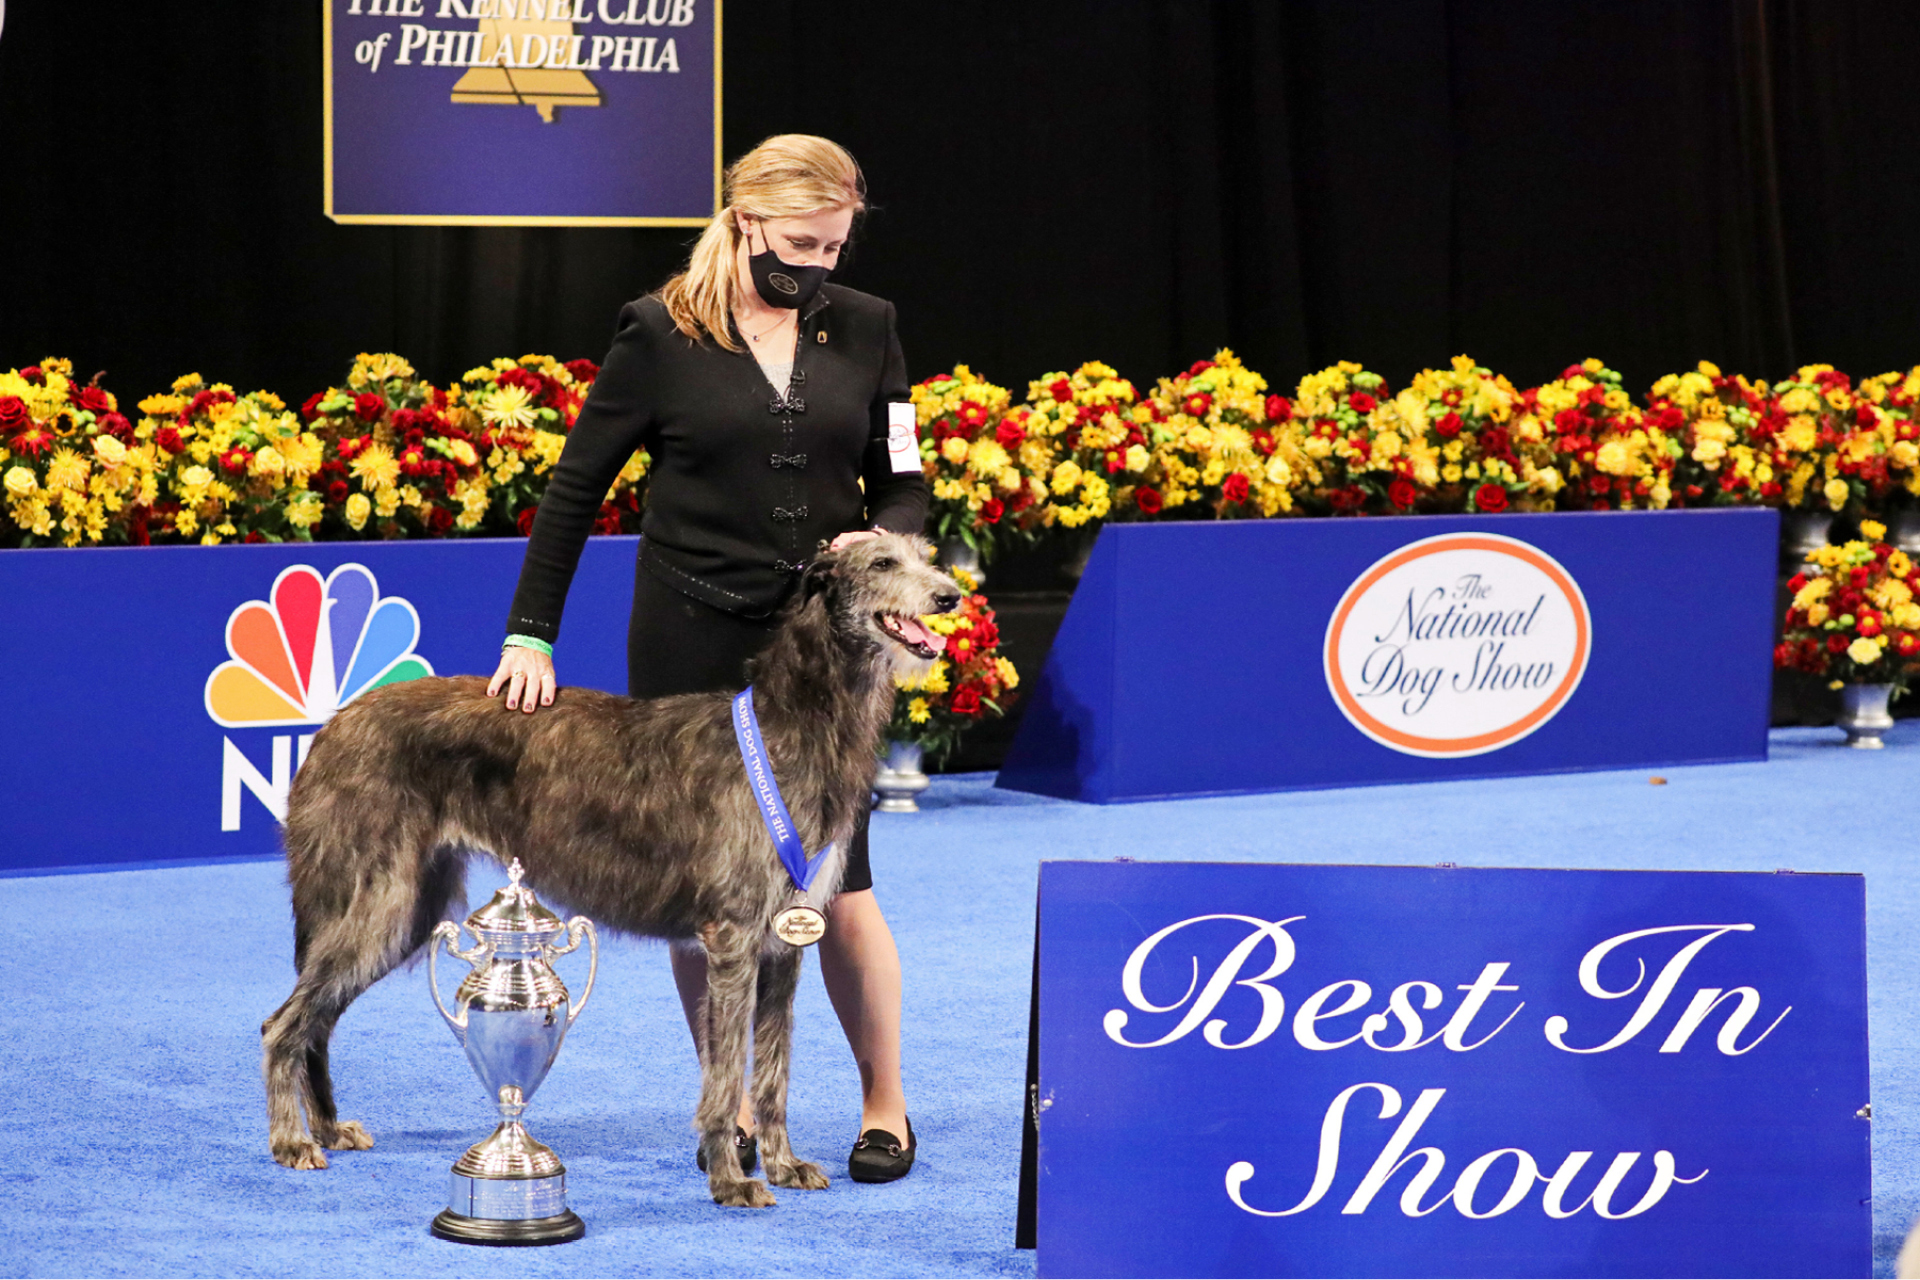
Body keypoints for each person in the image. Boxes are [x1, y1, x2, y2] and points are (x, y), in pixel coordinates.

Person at [486, 134, 927, 1184]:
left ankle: (884, 1104)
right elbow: (573, 491)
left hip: (822, 653)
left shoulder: (869, 328)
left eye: (836, 247)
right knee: (710, 886)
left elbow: (904, 481)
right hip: (693, 638)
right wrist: (529, 631)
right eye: (803, 242)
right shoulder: (658, 331)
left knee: (842, 877)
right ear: (745, 219)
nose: (820, 265)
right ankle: (725, 1103)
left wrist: (877, 544)